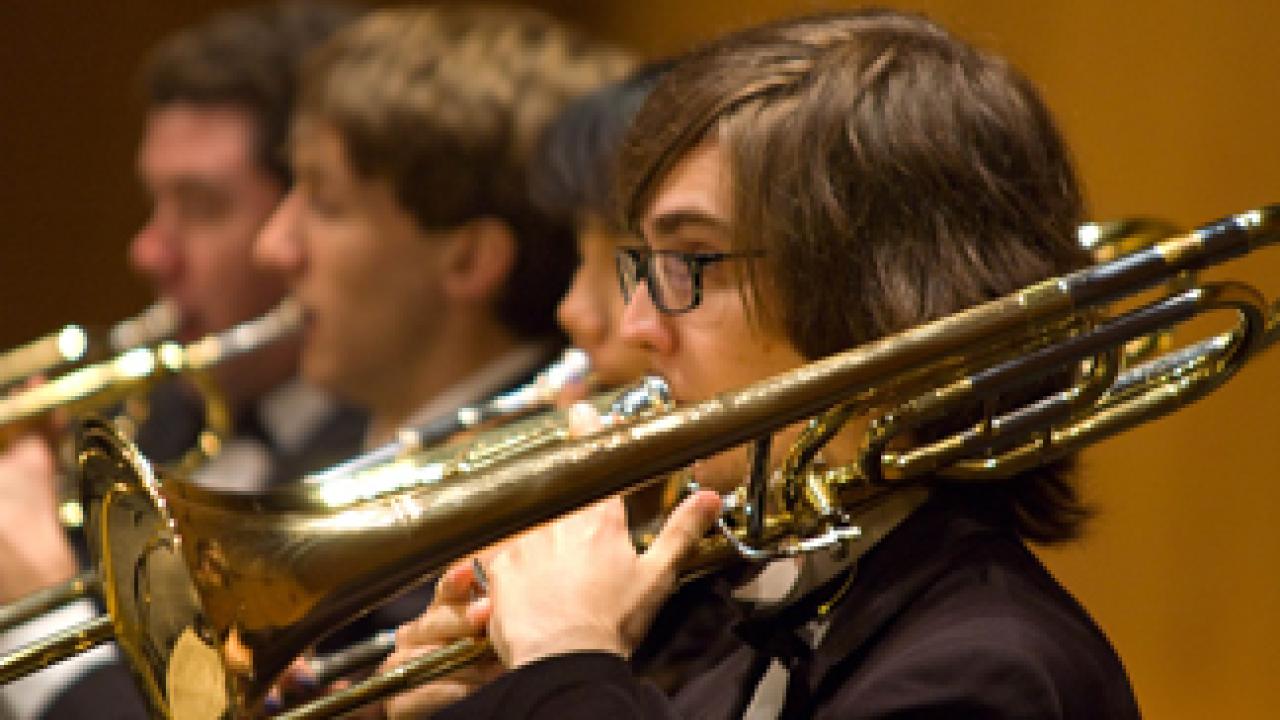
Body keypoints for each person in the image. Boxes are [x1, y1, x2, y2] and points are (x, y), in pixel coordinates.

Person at [387, 9, 1140, 719]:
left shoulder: (984, 676)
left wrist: (564, 663)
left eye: (691, 262)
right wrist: (504, 697)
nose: (640, 327)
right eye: (644, 264)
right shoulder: (774, 623)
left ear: (879, 294)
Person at [0, 4, 361, 718]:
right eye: (154, 200)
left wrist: (37, 605)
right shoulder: (149, 424)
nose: (148, 251)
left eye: (200, 206)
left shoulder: (375, 454)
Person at [252, 1, 632, 660]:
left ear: (468, 259)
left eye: (325, 202)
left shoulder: (534, 543)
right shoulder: (311, 452)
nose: (274, 246)